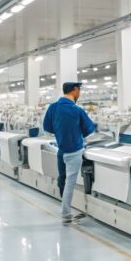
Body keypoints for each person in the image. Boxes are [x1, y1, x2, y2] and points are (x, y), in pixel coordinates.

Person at [42, 81, 96, 225]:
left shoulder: (53, 107)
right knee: (70, 184)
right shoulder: (77, 110)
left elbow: (48, 127)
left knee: (63, 180)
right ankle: (66, 214)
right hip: (74, 151)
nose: (80, 93)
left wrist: (62, 133)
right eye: (79, 90)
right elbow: (89, 131)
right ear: (74, 90)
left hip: (61, 151)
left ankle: (64, 208)